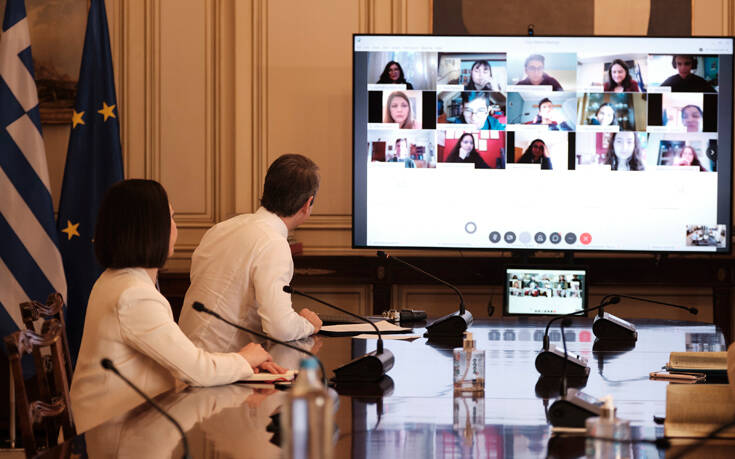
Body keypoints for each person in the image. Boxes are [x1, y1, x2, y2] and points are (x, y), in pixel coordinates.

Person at [70, 179, 285, 433]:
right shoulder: (134, 295)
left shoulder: (117, 280)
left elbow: (184, 360)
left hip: (131, 421)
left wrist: (243, 365)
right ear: (149, 229)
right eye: (170, 218)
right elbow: (197, 371)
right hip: (117, 433)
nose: (175, 227)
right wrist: (244, 359)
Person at [178, 154, 323, 353]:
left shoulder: (222, 228)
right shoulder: (273, 244)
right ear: (308, 204)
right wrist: (308, 325)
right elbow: (280, 328)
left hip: (185, 354)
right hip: (221, 362)